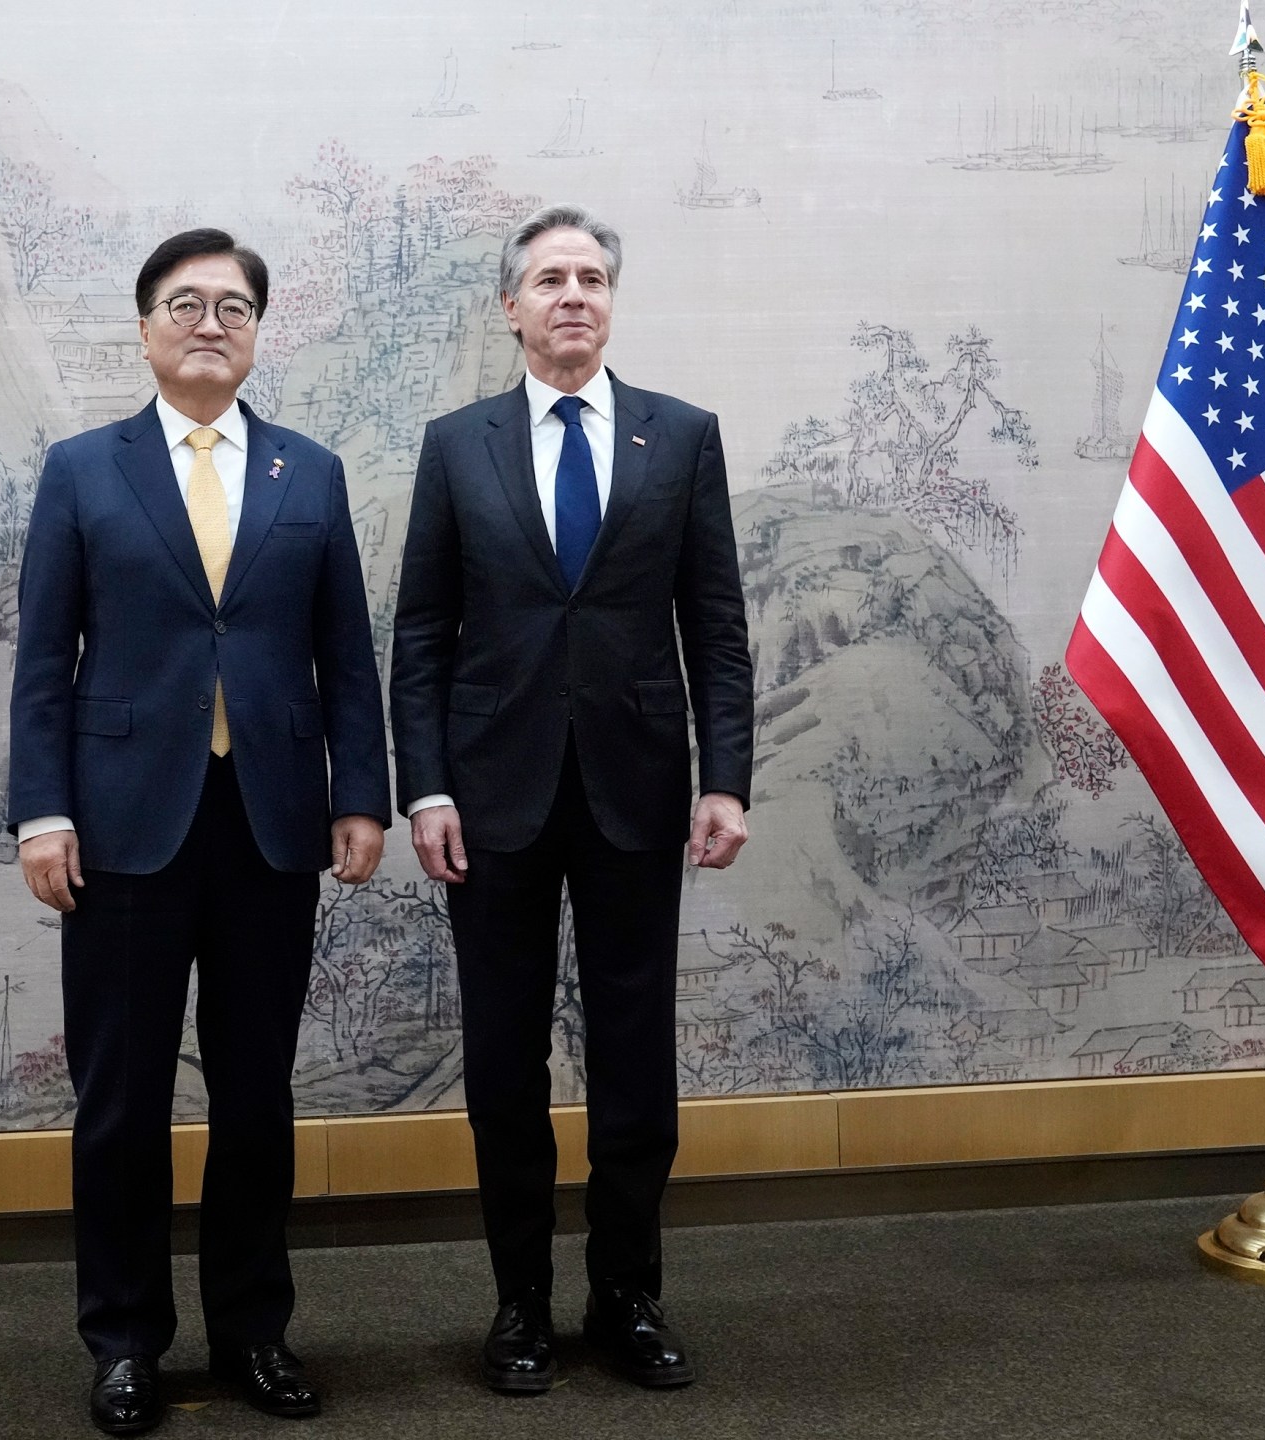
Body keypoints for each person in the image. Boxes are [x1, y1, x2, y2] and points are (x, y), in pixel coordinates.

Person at [8, 227, 391, 1434]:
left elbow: (348, 657)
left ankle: (253, 1334)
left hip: (272, 827)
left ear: (257, 331)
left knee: (257, 1097)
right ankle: (124, 1342)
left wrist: (359, 794)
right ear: (143, 327)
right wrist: (41, 810)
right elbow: (39, 662)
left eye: (232, 305)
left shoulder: (309, 473)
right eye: (185, 303)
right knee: (119, 1102)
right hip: (121, 831)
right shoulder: (83, 469)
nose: (209, 322)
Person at [389, 204, 754, 1395]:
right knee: (502, 1067)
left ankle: (627, 1297)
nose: (573, 296)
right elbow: (422, 635)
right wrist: (425, 784)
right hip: (489, 802)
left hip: (638, 796)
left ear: (612, 300)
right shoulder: (457, 445)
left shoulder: (679, 437)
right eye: (548, 279)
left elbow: (717, 629)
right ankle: (519, 1307)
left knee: (635, 1067)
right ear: (511, 308)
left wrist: (725, 780)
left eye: (592, 277)